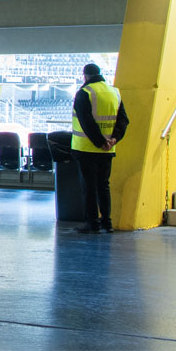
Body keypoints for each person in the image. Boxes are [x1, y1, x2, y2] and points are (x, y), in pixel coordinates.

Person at [71, 61, 129, 233]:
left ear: (86, 76)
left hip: (86, 149)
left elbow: (86, 122)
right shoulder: (114, 92)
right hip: (108, 150)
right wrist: (113, 139)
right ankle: (107, 223)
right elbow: (124, 120)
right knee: (104, 186)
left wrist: (99, 141)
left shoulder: (84, 93)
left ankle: (93, 224)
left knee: (89, 188)